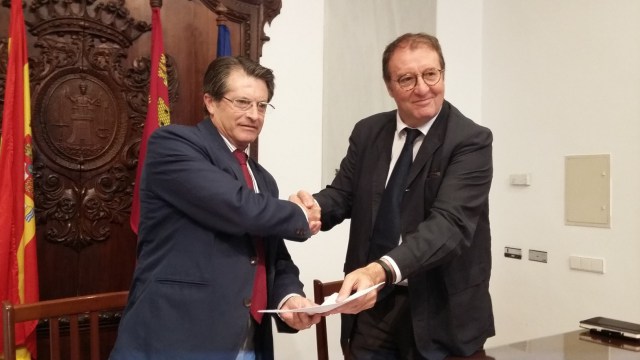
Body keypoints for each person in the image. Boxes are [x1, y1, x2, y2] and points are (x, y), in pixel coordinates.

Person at [295, 33, 495, 359]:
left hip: (443, 312)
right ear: (389, 87)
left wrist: (380, 269)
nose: (422, 87)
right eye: (407, 79)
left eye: (431, 74)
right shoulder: (368, 132)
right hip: (373, 306)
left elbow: (449, 226)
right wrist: (310, 207)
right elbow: (343, 194)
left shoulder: (470, 140)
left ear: (442, 74)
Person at [110, 56, 321, 360]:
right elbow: (236, 206)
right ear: (210, 102)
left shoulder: (262, 179)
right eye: (242, 102)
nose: (254, 115)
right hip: (176, 339)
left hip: (248, 341)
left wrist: (289, 296)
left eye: (262, 106)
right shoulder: (172, 145)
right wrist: (301, 215)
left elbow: (272, 253)